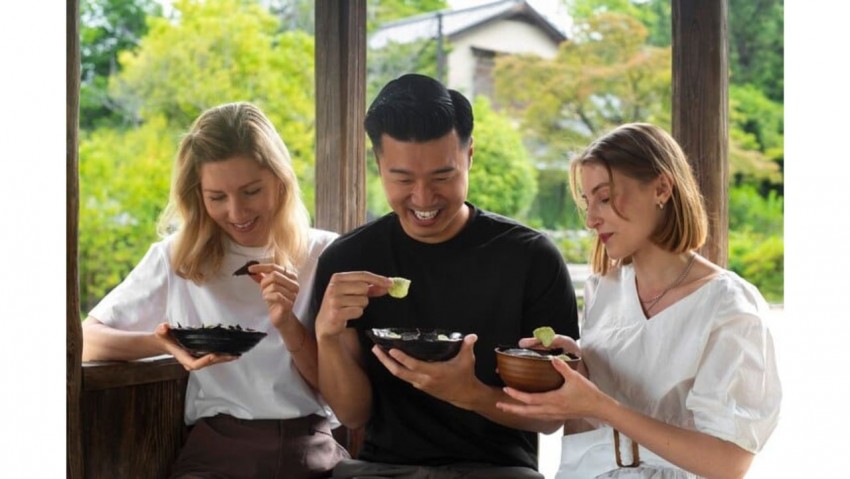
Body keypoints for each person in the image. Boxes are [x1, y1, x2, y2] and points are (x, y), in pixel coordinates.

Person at [310, 73, 580, 479]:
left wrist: (470, 394)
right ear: (378, 164)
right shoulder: (348, 260)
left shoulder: (530, 258)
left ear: (470, 155)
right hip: (380, 469)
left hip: (498, 470)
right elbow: (352, 413)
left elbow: (549, 418)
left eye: (442, 177)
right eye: (402, 179)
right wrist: (327, 334)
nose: (422, 199)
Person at [496, 122, 782, 479]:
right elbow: (593, 412)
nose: (590, 219)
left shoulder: (728, 305)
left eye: (603, 197)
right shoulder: (604, 288)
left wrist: (600, 405)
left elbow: (728, 463)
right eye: (587, 202)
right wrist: (579, 369)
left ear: (662, 187)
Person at [81, 102, 349, 479]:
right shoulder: (177, 258)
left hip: (313, 450)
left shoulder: (326, 254)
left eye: (251, 191)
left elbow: (340, 396)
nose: (236, 212)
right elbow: (85, 340)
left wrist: (287, 323)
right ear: (197, 195)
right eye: (217, 197)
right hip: (217, 452)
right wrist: (166, 343)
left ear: (280, 180)